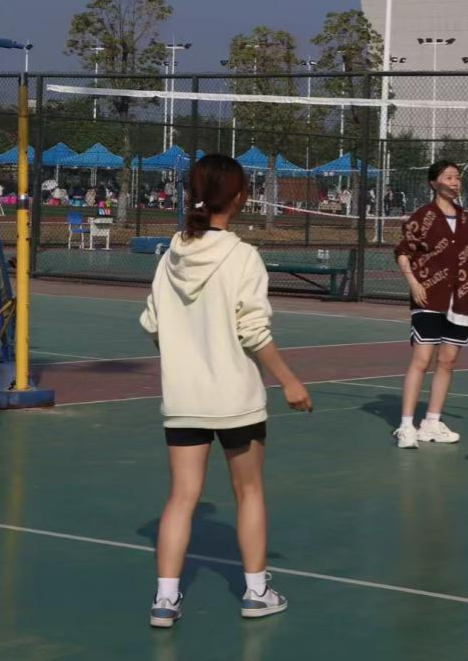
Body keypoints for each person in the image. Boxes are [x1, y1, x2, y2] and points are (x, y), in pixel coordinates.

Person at [140, 154, 313, 629]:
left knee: (182, 497)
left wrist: (185, 350)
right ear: (238, 197)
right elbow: (253, 330)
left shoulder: (170, 256)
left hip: (184, 400)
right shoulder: (243, 257)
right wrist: (289, 379)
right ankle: (256, 593)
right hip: (236, 400)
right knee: (249, 491)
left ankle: (165, 600)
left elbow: (152, 324)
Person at [394, 160, 468, 448]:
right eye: (448, 177)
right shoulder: (422, 217)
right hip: (429, 296)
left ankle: (431, 422)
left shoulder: (467, 219)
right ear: (434, 183)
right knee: (422, 360)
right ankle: (406, 426)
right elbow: (403, 253)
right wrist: (414, 283)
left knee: (448, 361)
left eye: (457, 178)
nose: (454, 182)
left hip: (460, 300)